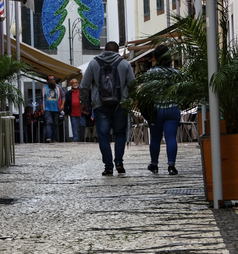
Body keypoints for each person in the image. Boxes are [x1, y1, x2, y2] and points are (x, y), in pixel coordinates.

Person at [80, 41, 136, 175]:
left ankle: (108, 167)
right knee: (120, 133)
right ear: (117, 52)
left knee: (103, 136)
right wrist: (131, 100)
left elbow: (84, 85)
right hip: (120, 104)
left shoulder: (94, 63)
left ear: (104, 50)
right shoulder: (124, 64)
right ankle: (119, 162)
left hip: (100, 105)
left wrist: (83, 102)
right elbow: (133, 84)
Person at [144, 49, 181, 176]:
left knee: (155, 139)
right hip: (172, 109)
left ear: (155, 58)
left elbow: (145, 91)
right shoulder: (176, 73)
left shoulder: (150, 73)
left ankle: (154, 164)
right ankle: (171, 166)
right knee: (171, 138)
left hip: (156, 110)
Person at [60, 76, 89, 143]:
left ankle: (82, 138)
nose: (75, 84)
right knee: (74, 126)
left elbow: (87, 101)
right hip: (73, 112)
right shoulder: (68, 93)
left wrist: (88, 110)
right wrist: (66, 112)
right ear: (71, 84)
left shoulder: (81, 91)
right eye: (73, 83)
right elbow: (66, 103)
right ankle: (75, 139)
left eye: (76, 82)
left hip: (82, 112)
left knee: (82, 125)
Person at [42, 76, 62, 143]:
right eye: (51, 79)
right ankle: (48, 137)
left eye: (53, 79)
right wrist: (42, 108)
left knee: (55, 123)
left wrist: (62, 105)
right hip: (47, 109)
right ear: (48, 81)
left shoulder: (58, 87)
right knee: (48, 122)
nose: (52, 80)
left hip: (56, 108)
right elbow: (41, 98)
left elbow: (63, 96)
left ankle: (54, 138)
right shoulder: (44, 88)